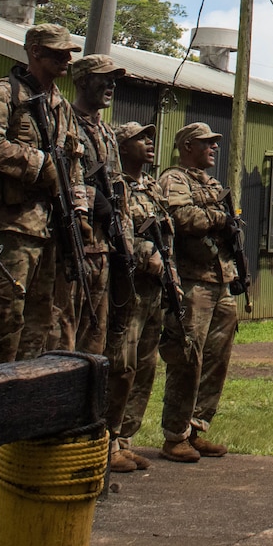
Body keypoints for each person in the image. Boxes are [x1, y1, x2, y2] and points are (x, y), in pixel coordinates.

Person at [0, 23, 86, 365]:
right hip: (9, 229)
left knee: (39, 330)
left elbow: (72, 163)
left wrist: (79, 212)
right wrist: (41, 164)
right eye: (58, 52)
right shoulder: (3, 94)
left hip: (51, 231)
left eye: (69, 52)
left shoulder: (61, 106)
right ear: (35, 51)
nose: (67, 58)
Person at [156, 122, 241, 463]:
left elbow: (227, 222)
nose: (213, 148)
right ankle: (175, 434)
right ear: (188, 145)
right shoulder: (174, 179)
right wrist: (219, 219)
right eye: (207, 143)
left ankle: (196, 426)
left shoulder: (213, 184)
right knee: (187, 356)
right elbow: (180, 216)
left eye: (215, 143)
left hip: (220, 280)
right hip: (192, 282)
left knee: (217, 358)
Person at [105, 120, 166, 472]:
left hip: (154, 291)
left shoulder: (152, 188)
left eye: (150, 137)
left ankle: (124, 438)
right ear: (122, 146)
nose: (148, 142)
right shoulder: (117, 186)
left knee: (145, 366)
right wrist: (147, 255)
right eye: (139, 138)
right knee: (121, 365)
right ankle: (106, 440)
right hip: (127, 289)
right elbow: (118, 232)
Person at [67, 54, 125, 357]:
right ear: (83, 81)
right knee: (63, 334)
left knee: (95, 338)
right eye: (104, 77)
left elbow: (118, 187)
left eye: (114, 79)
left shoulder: (107, 133)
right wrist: (91, 199)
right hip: (73, 246)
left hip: (104, 248)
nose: (111, 84)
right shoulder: (64, 121)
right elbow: (60, 176)